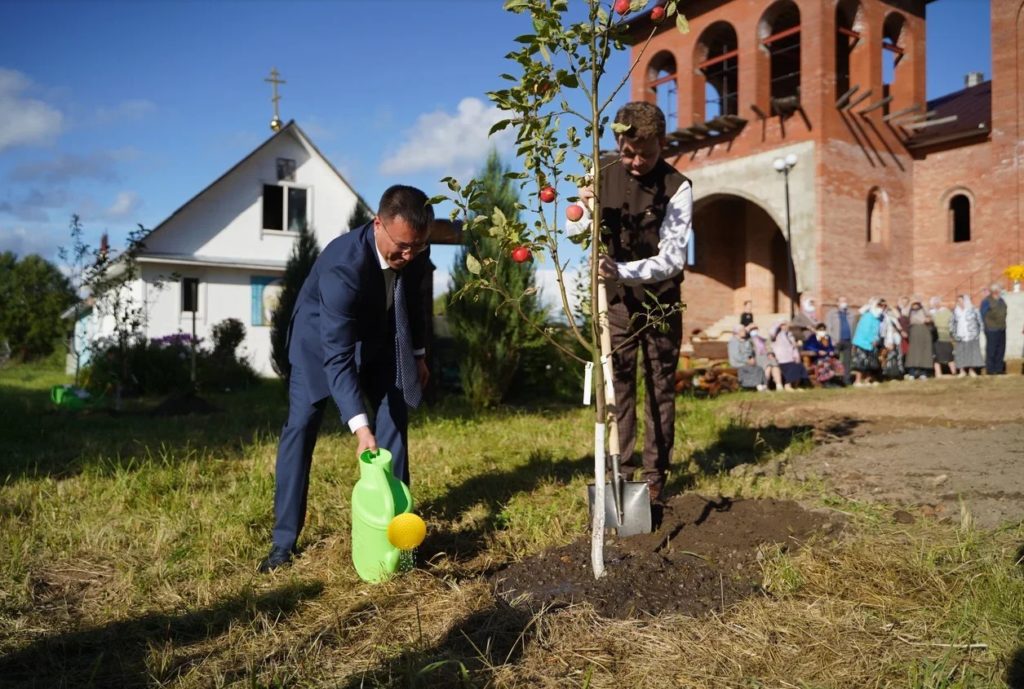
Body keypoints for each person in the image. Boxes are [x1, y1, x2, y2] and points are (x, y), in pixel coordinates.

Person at [260, 185, 433, 572]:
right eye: (402, 246)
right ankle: (282, 544)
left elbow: (416, 300)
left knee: (394, 415)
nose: (409, 255)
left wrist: (418, 354)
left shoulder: (416, 247)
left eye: (417, 247)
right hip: (319, 348)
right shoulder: (344, 266)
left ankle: (397, 536)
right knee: (302, 426)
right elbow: (337, 358)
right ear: (378, 225)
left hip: (376, 340)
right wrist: (360, 429)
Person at [567, 101, 692, 504]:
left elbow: (673, 259)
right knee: (619, 387)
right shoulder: (600, 171)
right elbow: (579, 230)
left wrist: (620, 270)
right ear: (618, 141)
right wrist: (581, 209)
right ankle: (620, 472)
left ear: (662, 145)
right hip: (616, 305)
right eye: (628, 152)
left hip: (661, 303)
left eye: (646, 154)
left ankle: (655, 477)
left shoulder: (678, 187)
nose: (636, 162)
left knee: (659, 389)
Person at [825, 296, 858, 385]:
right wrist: (832, 340)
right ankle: (831, 380)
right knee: (833, 361)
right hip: (836, 341)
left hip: (848, 340)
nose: (844, 303)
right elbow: (828, 328)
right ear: (837, 303)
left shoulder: (850, 313)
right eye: (842, 301)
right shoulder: (832, 313)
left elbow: (854, 327)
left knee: (847, 362)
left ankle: (846, 380)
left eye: (845, 301)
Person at [851, 297, 884, 386]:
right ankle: (857, 381)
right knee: (861, 362)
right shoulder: (868, 316)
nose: (881, 308)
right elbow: (865, 330)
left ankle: (867, 380)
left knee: (871, 363)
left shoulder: (877, 318)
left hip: (872, 344)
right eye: (879, 305)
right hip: (862, 343)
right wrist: (871, 340)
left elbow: (877, 331)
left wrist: (876, 340)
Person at [951, 293, 984, 377]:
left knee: (972, 353)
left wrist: (978, 333)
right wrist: (953, 333)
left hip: (972, 335)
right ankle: (962, 371)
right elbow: (952, 323)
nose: (959, 303)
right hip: (960, 336)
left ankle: (971, 370)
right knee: (961, 353)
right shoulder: (955, 311)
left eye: (961, 301)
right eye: (958, 301)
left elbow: (980, 321)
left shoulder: (973, 310)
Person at [771, 320, 809, 390]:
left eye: (786, 325)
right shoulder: (777, 334)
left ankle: (796, 386)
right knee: (792, 367)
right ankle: (787, 385)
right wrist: (780, 323)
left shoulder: (790, 335)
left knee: (799, 366)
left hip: (791, 358)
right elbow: (772, 331)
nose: (785, 326)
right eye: (783, 325)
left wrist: (796, 356)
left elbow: (793, 347)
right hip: (781, 359)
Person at [979, 283, 1007, 375]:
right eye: (1000, 289)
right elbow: (982, 314)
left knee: (1001, 349)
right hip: (991, 329)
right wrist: (987, 326)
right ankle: (990, 369)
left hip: (1002, 328)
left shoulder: (1001, 300)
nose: (1001, 291)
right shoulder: (986, 301)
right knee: (991, 349)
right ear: (995, 291)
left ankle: (999, 368)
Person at [904, 301, 934, 379]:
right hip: (914, 331)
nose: (915, 307)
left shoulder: (924, 310)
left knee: (924, 353)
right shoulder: (909, 311)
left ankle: (923, 373)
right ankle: (912, 373)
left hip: (924, 331)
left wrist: (928, 319)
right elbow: (904, 313)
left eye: (916, 305)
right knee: (913, 353)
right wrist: (909, 304)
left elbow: (930, 317)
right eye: (913, 305)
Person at [748, 324, 784, 390]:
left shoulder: (762, 338)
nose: (754, 330)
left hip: (767, 355)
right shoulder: (749, 340)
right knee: (768, 365)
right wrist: (750, 357)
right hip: (758, 356)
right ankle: (764, 385)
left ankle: (779, 385)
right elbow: (749, 351)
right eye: (752, 329)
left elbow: (768, 346)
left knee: (774, 364)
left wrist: (770, 353)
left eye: (755, 328)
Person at [929, 296, 957, 378]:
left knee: (949, 356)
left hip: (946, 337)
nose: (936, 304)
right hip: (935, 338)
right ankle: (938, 373)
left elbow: (952, 323)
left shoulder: (947, 312)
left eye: (937, 302)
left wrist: (952, 334)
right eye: (934, 303)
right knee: (936, 356)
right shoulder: (930, 313)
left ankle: (954, 372)